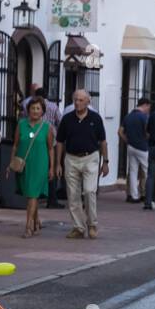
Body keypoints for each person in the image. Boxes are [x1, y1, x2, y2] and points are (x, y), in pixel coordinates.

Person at [54, 89, 108, 239]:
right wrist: (58, 163)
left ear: (88, 102)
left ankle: (92, 225)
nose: (77, 103)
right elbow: (59, 142)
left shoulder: (95, 118)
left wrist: (106, 162)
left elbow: (103, 141)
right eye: (75, 100)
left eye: (81, 100)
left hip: (91, 157)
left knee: (90, 191)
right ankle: (78, 226)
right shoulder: (67, 119)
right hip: (71, 158)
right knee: (72, 195)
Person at [8, 96, 54, 237]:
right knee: (30, 195)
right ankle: (37, 220)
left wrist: (52, 167)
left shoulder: (47, 127)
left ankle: (28, 227)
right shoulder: (21, 125)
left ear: (42, 111)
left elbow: (50, 148)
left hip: (40, 164)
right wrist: (11, 163)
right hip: (24, 164)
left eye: (38, 108)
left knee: (33, 194)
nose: (35, 111)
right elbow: (15, 145)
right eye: (32, 108)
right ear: (28, 110)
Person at [119, 98, 150, 204]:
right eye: (148, 107)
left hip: (131, 146)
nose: (148, 110)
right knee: (147, 171)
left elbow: (120, 131)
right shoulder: (144, 117)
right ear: (145, 105)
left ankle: (133, 195)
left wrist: (127, 140)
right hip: (143, 147)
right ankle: (145, 194)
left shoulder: (128, 116)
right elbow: (147, 132)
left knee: (132, 171)